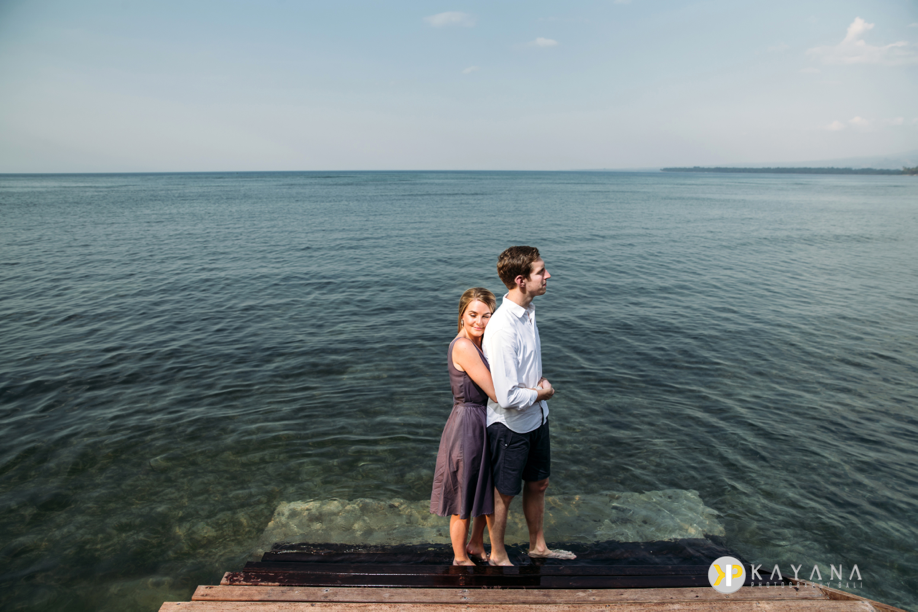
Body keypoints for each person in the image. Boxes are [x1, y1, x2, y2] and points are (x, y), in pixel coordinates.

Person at [483, 246, 576, 566]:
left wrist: (538, 393)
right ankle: (497, 555)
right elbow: (506, 396)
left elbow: (523, 371)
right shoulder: (502, 327)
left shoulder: (529, 310)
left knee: (539, 483)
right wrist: (542, 394)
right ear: (521, 280)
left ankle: (538, 547)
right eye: (541, 272)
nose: (548, 276)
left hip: (537, 418)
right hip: (511, 424)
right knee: (504, 494)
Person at [430, 288, 498, 566]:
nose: (479, 322)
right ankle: (459, 557)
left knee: (485, 489)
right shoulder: (463, 346)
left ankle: (476, 545)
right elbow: (495, 390)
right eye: (473, 315)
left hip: (485, 420)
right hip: (468, 424)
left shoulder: (481, 344)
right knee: (463, 493)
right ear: (461, 315)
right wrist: (534, 392)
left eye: (486, 316)